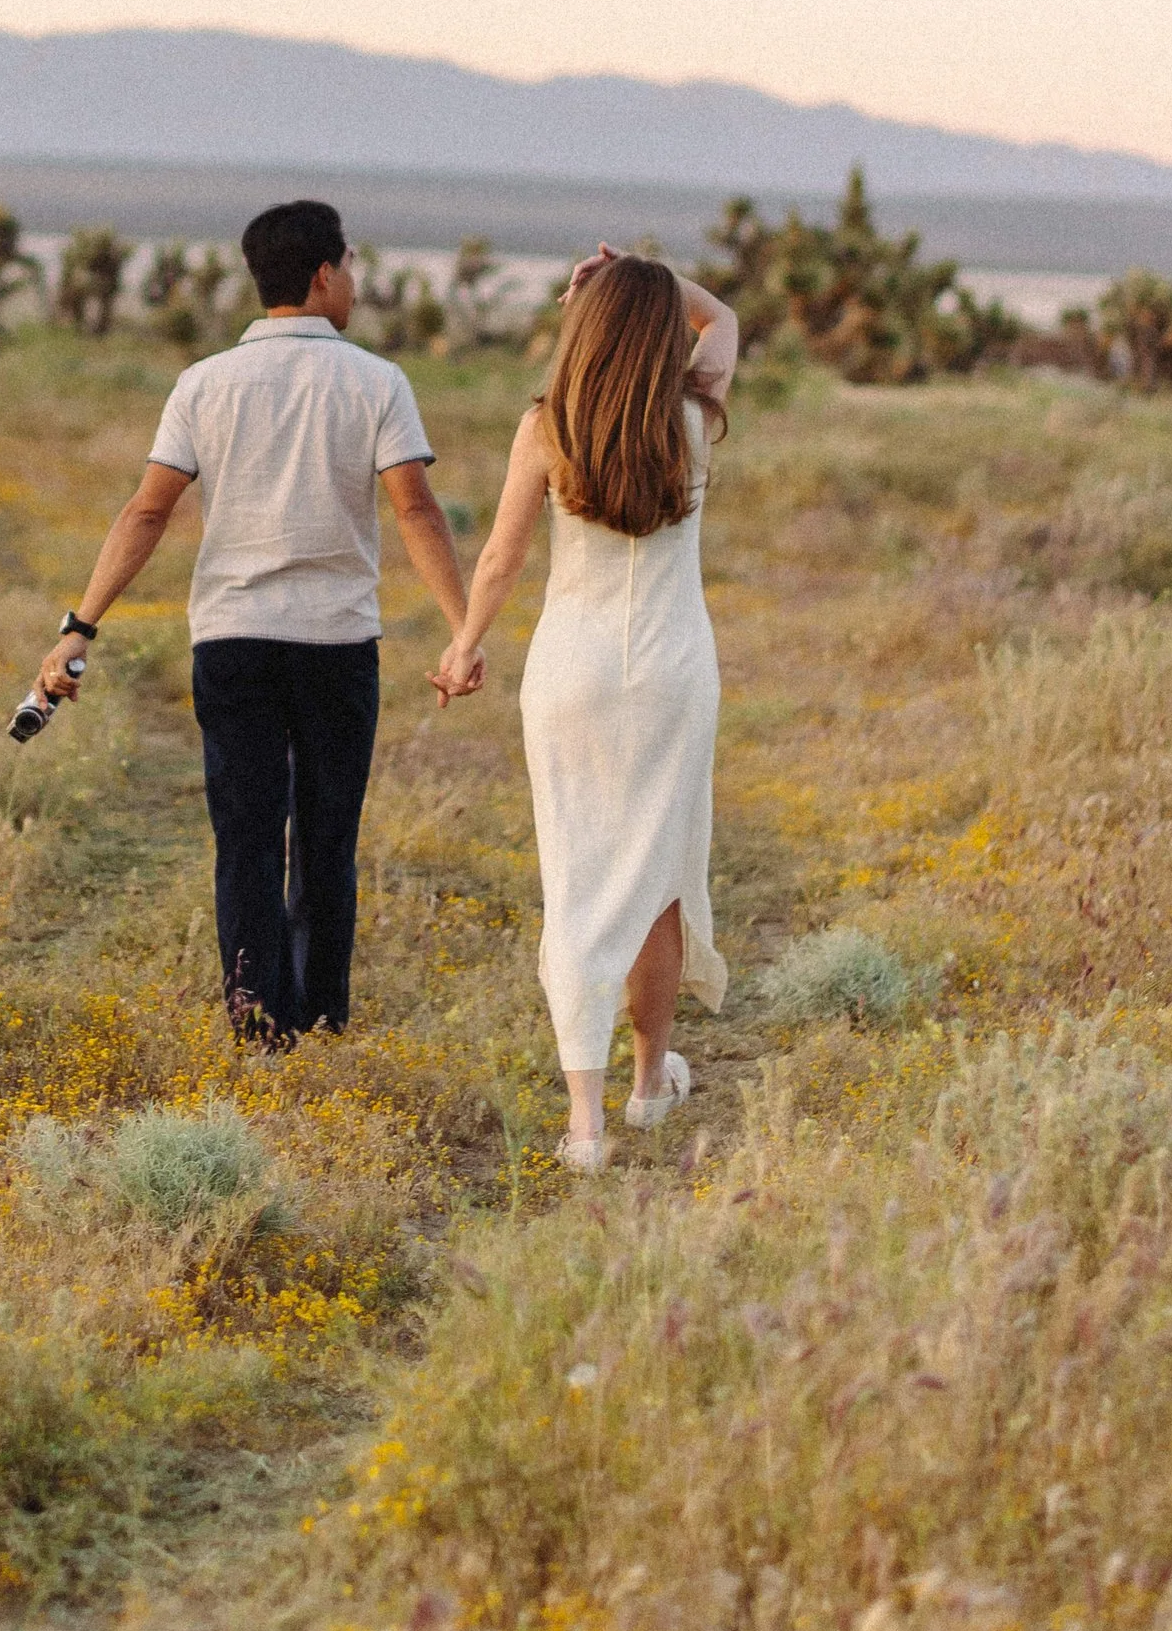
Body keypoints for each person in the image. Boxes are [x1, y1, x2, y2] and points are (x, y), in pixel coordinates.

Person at [36, 198, 476, 1040]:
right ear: (321, 275)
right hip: (337, 646)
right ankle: (321, 1024)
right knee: (325, 842)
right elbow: (416, 511)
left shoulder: (203, 383)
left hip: (232, 643)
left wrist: (79, 625)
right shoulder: (378, 381)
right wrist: (463, 629)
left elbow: (146, 512)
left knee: (245, 841)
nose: (352, 283)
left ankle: (255, 1029)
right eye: (347, 267)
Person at [435, 246, 737, 1168]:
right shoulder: (692, 415)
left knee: (575, 878)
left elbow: (499, 558)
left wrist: (464, 642)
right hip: (673, 673)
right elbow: (720, 319)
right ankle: (649, 1087)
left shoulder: (546, 426)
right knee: (659, 880)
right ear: (656, 333)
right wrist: (648, 279)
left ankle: (585, 1126)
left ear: (581, 326)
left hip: (571, 676)